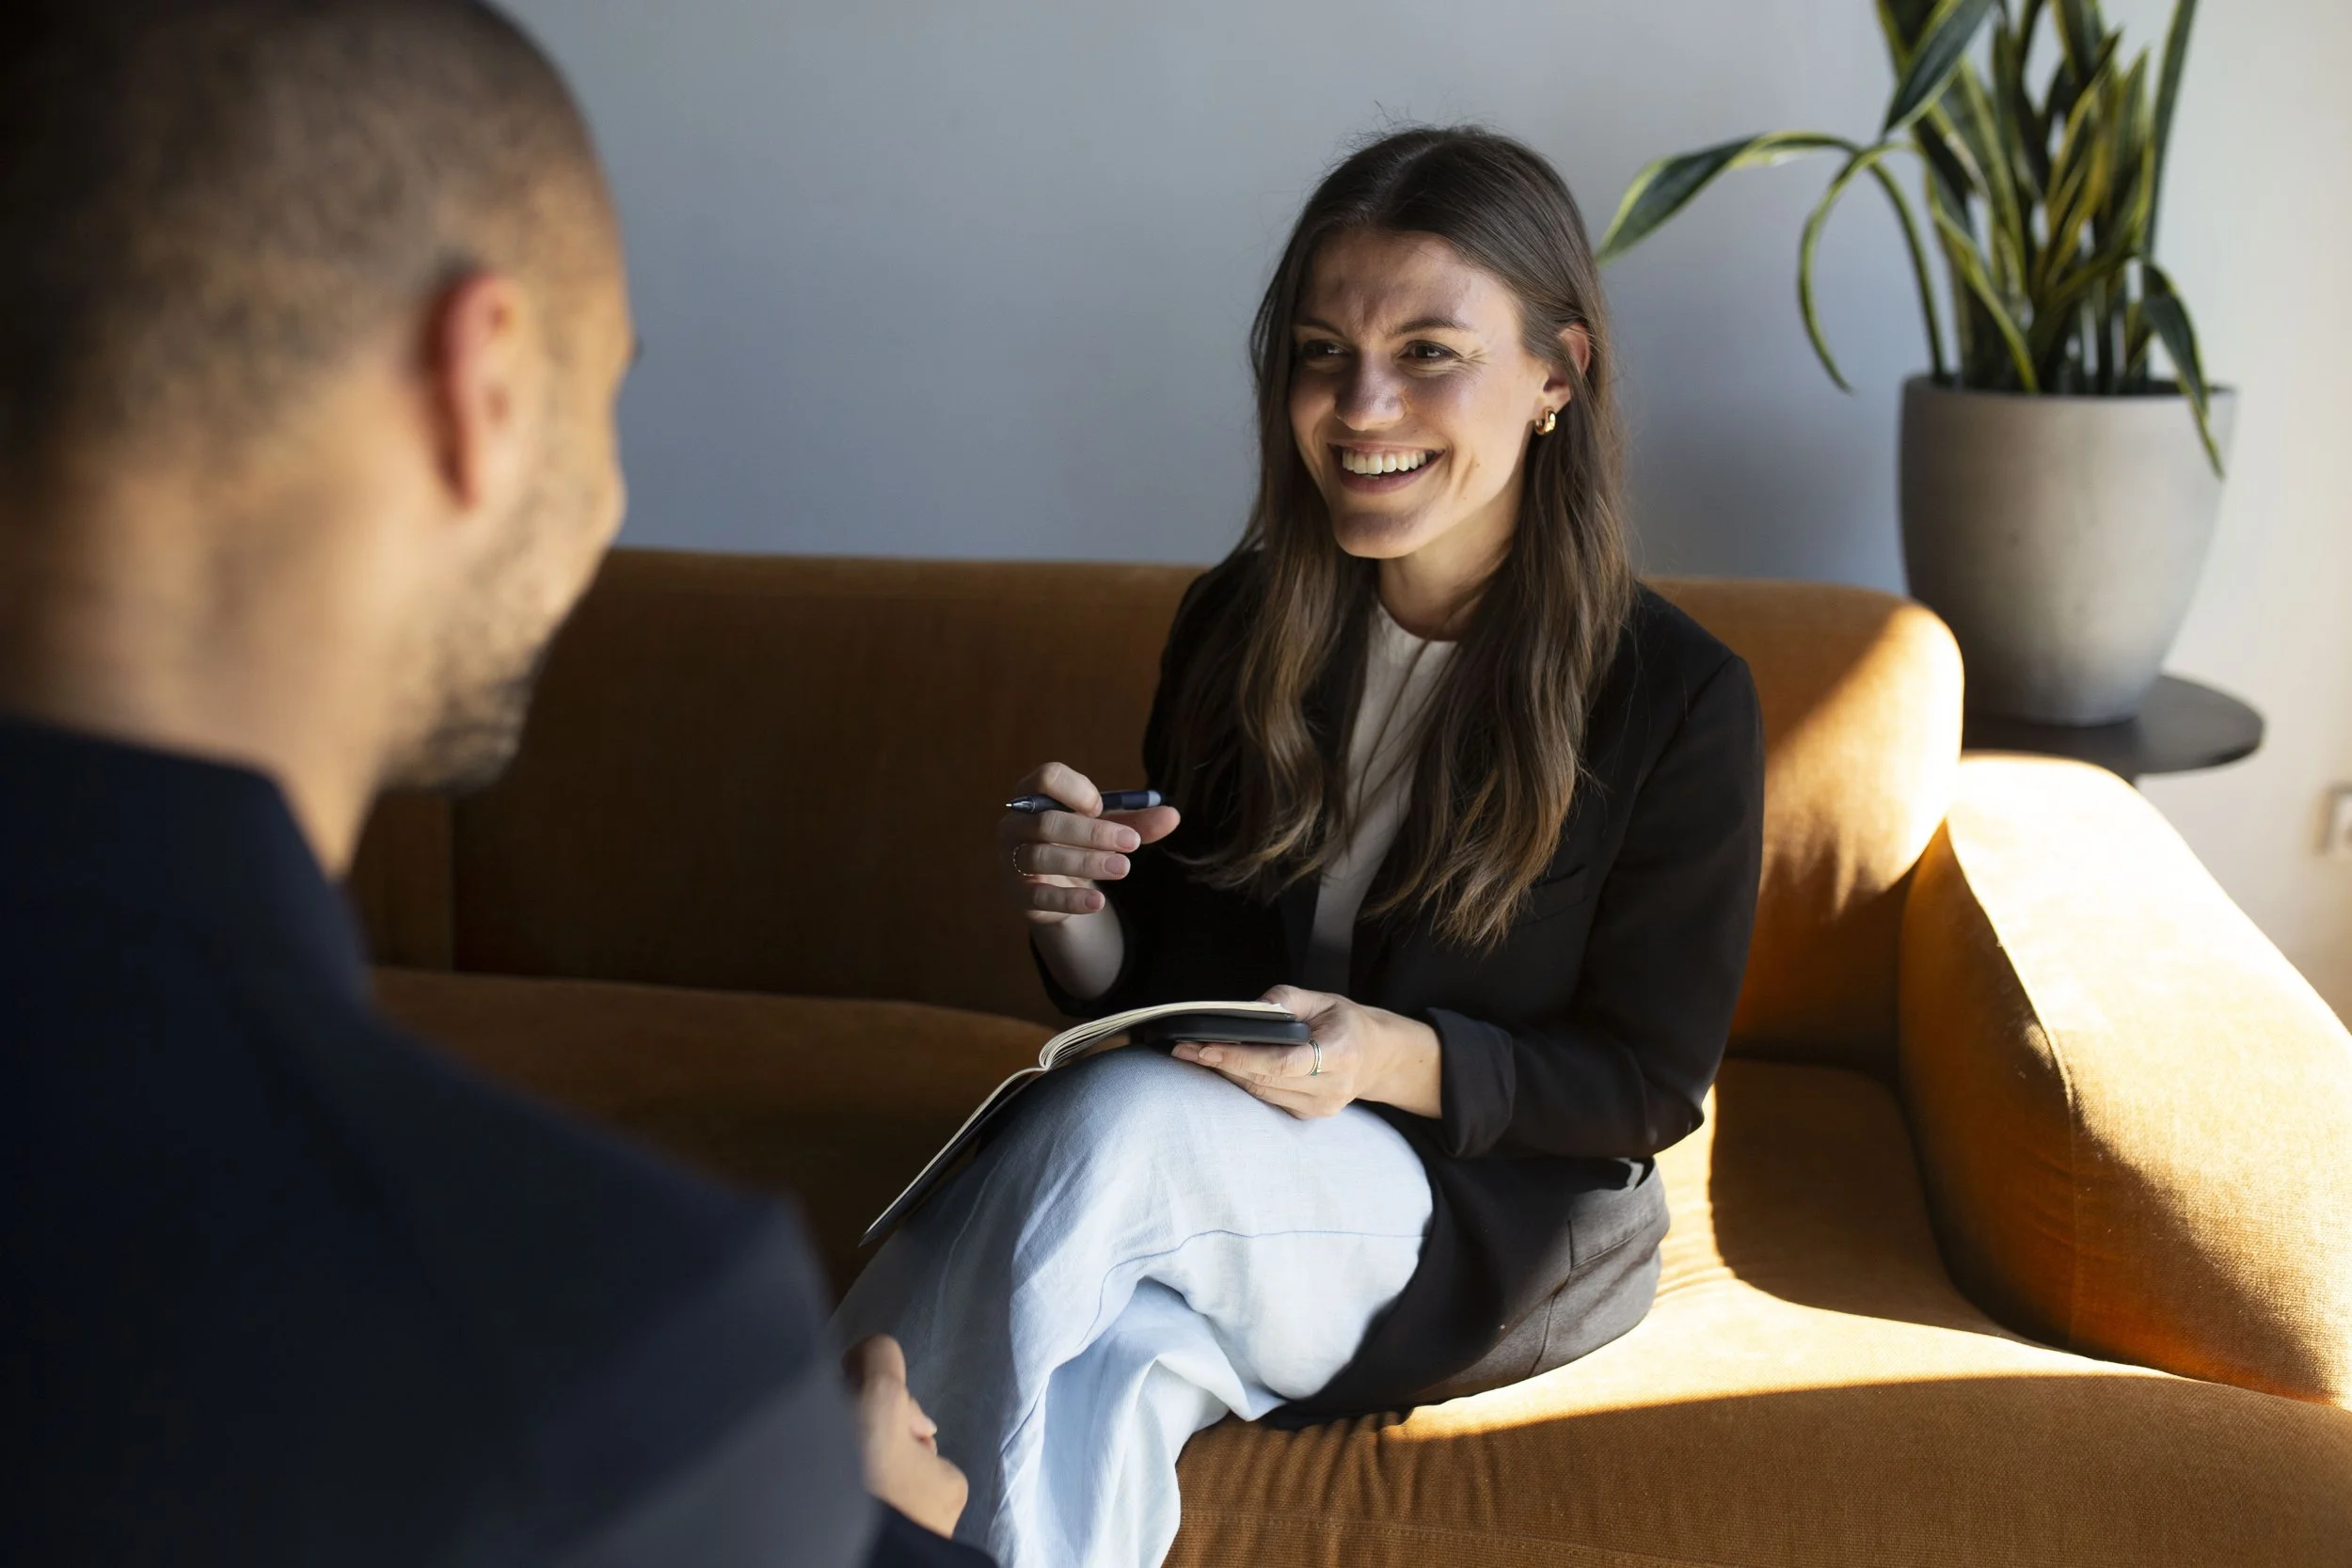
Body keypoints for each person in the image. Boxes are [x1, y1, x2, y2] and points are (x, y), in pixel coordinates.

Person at [0, 3, 987, 1564]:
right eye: (608, 394)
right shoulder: (609, 1356)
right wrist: (839, 1516)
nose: (608, 499)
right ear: (488, 384)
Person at [834, 127, 1768, 1568]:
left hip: (1466, 1217)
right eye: (1323, 353)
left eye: (1429, 352)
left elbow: (1644, 1080)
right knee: (1113, 1373)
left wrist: (1384, 1057)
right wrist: (1081, 908)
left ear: (1557, 376)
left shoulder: (1675, 697)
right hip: (1227, 1173)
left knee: (1103, 1137)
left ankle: (809, 1498)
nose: (1360, 404)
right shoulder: (1243, 622)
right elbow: (1177, 988)